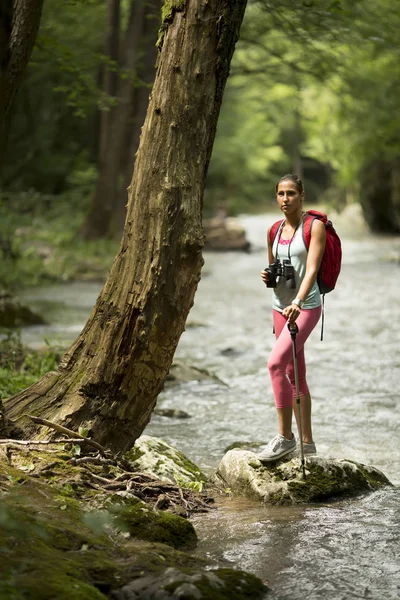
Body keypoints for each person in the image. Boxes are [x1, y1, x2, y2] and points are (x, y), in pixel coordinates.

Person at [258, 174, 326, 462]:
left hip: (306, 306)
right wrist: (268, 276)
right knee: (293, 374)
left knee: (275, 363)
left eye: (291, 193)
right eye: (281, 194)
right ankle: (307, 443)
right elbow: (275, 267)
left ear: (302, 195)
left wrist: (298, 301)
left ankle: (285, 437)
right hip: (279, 306)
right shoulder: (273, 230)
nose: (285, 199)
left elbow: (311, 269)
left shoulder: (315, 227)